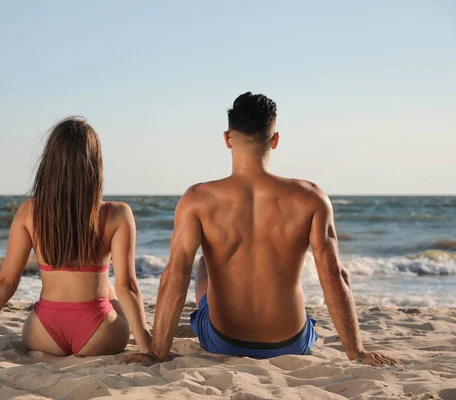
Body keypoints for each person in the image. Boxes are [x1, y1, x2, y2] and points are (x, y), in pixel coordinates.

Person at [122, 92, 398, 366]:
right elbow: (334, 275)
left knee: (205, 262)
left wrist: (157, 351)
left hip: (222, 340)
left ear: (227, 139)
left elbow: (175, 274)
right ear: (275, 140)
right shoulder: (311, 197)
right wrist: (356, 351)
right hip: (292, 341)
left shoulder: (197, 199)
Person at [0, 117, 151, 357]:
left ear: (49, 164)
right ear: (95, 163)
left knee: (106, 288)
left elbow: (6, 282)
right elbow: (129, 286)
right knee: (112, 288)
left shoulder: (29, 213)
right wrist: (147, 349)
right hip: (100, 334)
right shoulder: (118, 213)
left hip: (44, 333)